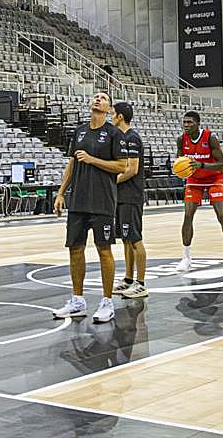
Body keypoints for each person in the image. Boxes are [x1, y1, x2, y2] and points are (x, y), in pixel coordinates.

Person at [52, 91, 130, 324]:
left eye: (103, 98)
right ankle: (77, 300)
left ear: (109, 109)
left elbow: (121, 166)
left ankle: (107, 302)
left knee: (103, 249)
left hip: (102, 200)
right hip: (78, 200)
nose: (98, 99)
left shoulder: (114, 133)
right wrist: (60, 193)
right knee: (75, 249)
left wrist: (93, 159)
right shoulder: (79, 131)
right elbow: (72, 163)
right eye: (95, 96)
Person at [176, 111, 223, 274]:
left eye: (189, 122)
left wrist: (202, 165)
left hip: (214, 178)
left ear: (198, 124)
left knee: (221, 216)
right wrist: (180, 168)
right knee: (187, 215)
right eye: (184, 122)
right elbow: (180, 160)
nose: (186, 125)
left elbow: (222, 165)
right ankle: (186, 258)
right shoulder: (181, 140)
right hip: (194, 180)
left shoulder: (210, 138)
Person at [112, 102, 148, 300]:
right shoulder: (121, 138)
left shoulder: (132, 138)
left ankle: (141, 284)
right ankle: (128, 279)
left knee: (135, 238)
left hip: (131, 196)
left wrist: (110, 181)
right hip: (121, 196)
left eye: (113, 114)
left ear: (119, 117)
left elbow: (132, 169)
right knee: (126, 238)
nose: (111, 117)